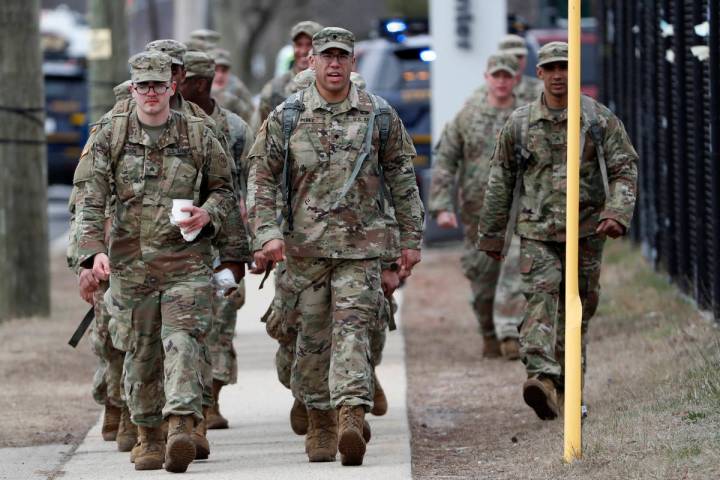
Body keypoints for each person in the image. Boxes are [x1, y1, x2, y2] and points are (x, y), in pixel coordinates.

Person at [249, 27, 424, 466]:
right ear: (310, 62)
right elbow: (262, 178)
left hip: (362, 250)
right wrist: (266, 233)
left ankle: (350, 414)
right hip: (304, 252)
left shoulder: (378, 115)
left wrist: (410, 240)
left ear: (352, 63)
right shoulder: (287, 116)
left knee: (352, 332)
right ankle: (320, 422)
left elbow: (402, 179)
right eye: (325, 56)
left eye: (341, 56)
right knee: (311, 339)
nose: (333, 63)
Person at [77, 50, 241, 473]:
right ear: (133, 90)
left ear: (172, 86)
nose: (151, 93)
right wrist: (90, 254)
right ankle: (148, 434)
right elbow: (90, 199)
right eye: (143, 86)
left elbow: (225, 190)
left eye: (158, 85)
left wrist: (210, 215)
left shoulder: (200, 132)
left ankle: (182, 423)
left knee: (183, 340)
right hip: (131, 266)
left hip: (186, 261)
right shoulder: (111, 134)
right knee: (142, 351)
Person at [476, 42, 638, 420]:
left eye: (565, 67)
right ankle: (542, 378)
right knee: (540, 301)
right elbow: (500, 179)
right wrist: (493, 235)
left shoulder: (596, 119)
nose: (559, 75)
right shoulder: (520, 123)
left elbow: (624, 168)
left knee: (577, 311)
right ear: (539, 74)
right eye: (551, 68)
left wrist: (617, 212)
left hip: (586, 231)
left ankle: (567, 390)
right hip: (537, 232)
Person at [430, 53, 526, 360]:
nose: (501, 81)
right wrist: (441, 206)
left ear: (515, 80)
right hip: (479, 213)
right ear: (487, 78)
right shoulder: (467, 117)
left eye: (507, 76)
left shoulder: (525, 118)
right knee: (483, 280)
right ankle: (489, 332)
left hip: (520, 209)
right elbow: (445, 160)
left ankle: (510, 331)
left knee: (516, 267)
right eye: (496, 76)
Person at [179, 50, 255, 431]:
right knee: (182, 324)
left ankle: (211, 398)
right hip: (177, 245)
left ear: (200, 83)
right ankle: (184, 402)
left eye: (184, 79)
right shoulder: (170, 124)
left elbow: (251, 186)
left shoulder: (236, 129)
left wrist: (249, 245)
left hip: (223, 245)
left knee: (221, 318)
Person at [67, 80, 137, 453]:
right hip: (106, 256)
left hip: (148, 255)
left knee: (142, 338)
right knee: (111, 340)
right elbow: (80, 208)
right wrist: (83, 264)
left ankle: (133, 412)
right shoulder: (99, 145)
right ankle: (115, 401)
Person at [253, 21, 323, 128]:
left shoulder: (333, 85)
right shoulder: (274, 90)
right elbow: (260, 135)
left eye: (310, 45)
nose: (304, 51)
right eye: (299, 45)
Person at [210, 48, 254, 123]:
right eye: (216, 69)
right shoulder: (200, 88)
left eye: (224, 70)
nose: (220, 75)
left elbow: (251, 115)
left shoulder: (238, 88)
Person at [498, 34, 543, 105]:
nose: (515, 61)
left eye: (519, 56)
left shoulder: (542, 90)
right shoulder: (486, 94)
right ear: (499, 59)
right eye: (510, 57)